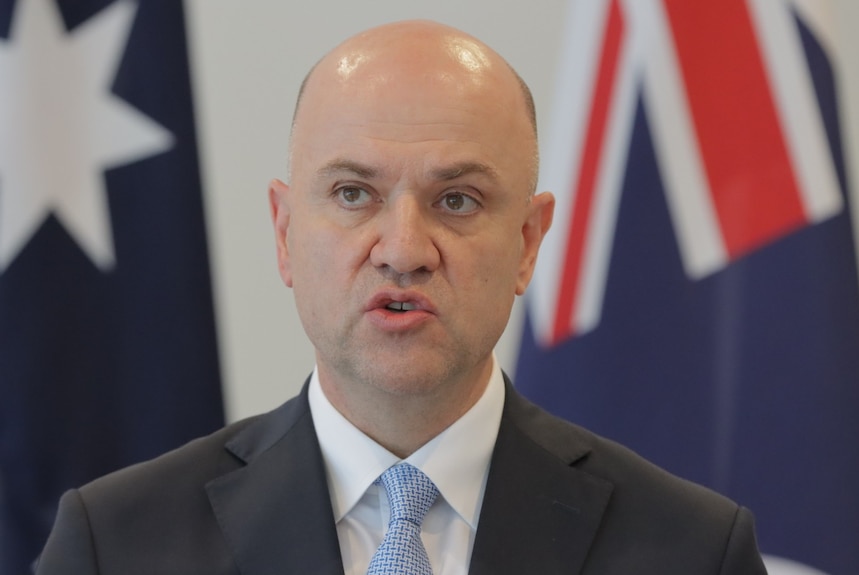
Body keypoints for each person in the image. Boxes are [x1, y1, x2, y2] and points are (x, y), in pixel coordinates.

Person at [36, 20, 767, 574]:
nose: (404, 250)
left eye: (457, 199)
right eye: (354, 193)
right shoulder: (116, 543)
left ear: (528, 240)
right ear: (286, 233)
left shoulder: (692, 550)